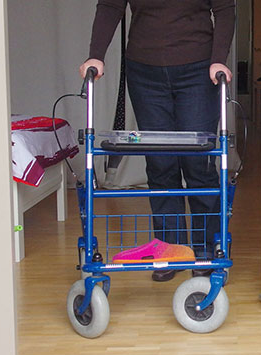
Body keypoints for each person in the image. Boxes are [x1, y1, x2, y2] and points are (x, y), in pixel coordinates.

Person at [80, 0, 235, 282]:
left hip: (199, 70)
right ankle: (171, 251)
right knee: (160, 163)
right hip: (144, 70)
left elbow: (225, 9)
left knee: (198, 165)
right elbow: (110, 6)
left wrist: (219, 59)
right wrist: (96, 56)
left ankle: (204, 251)